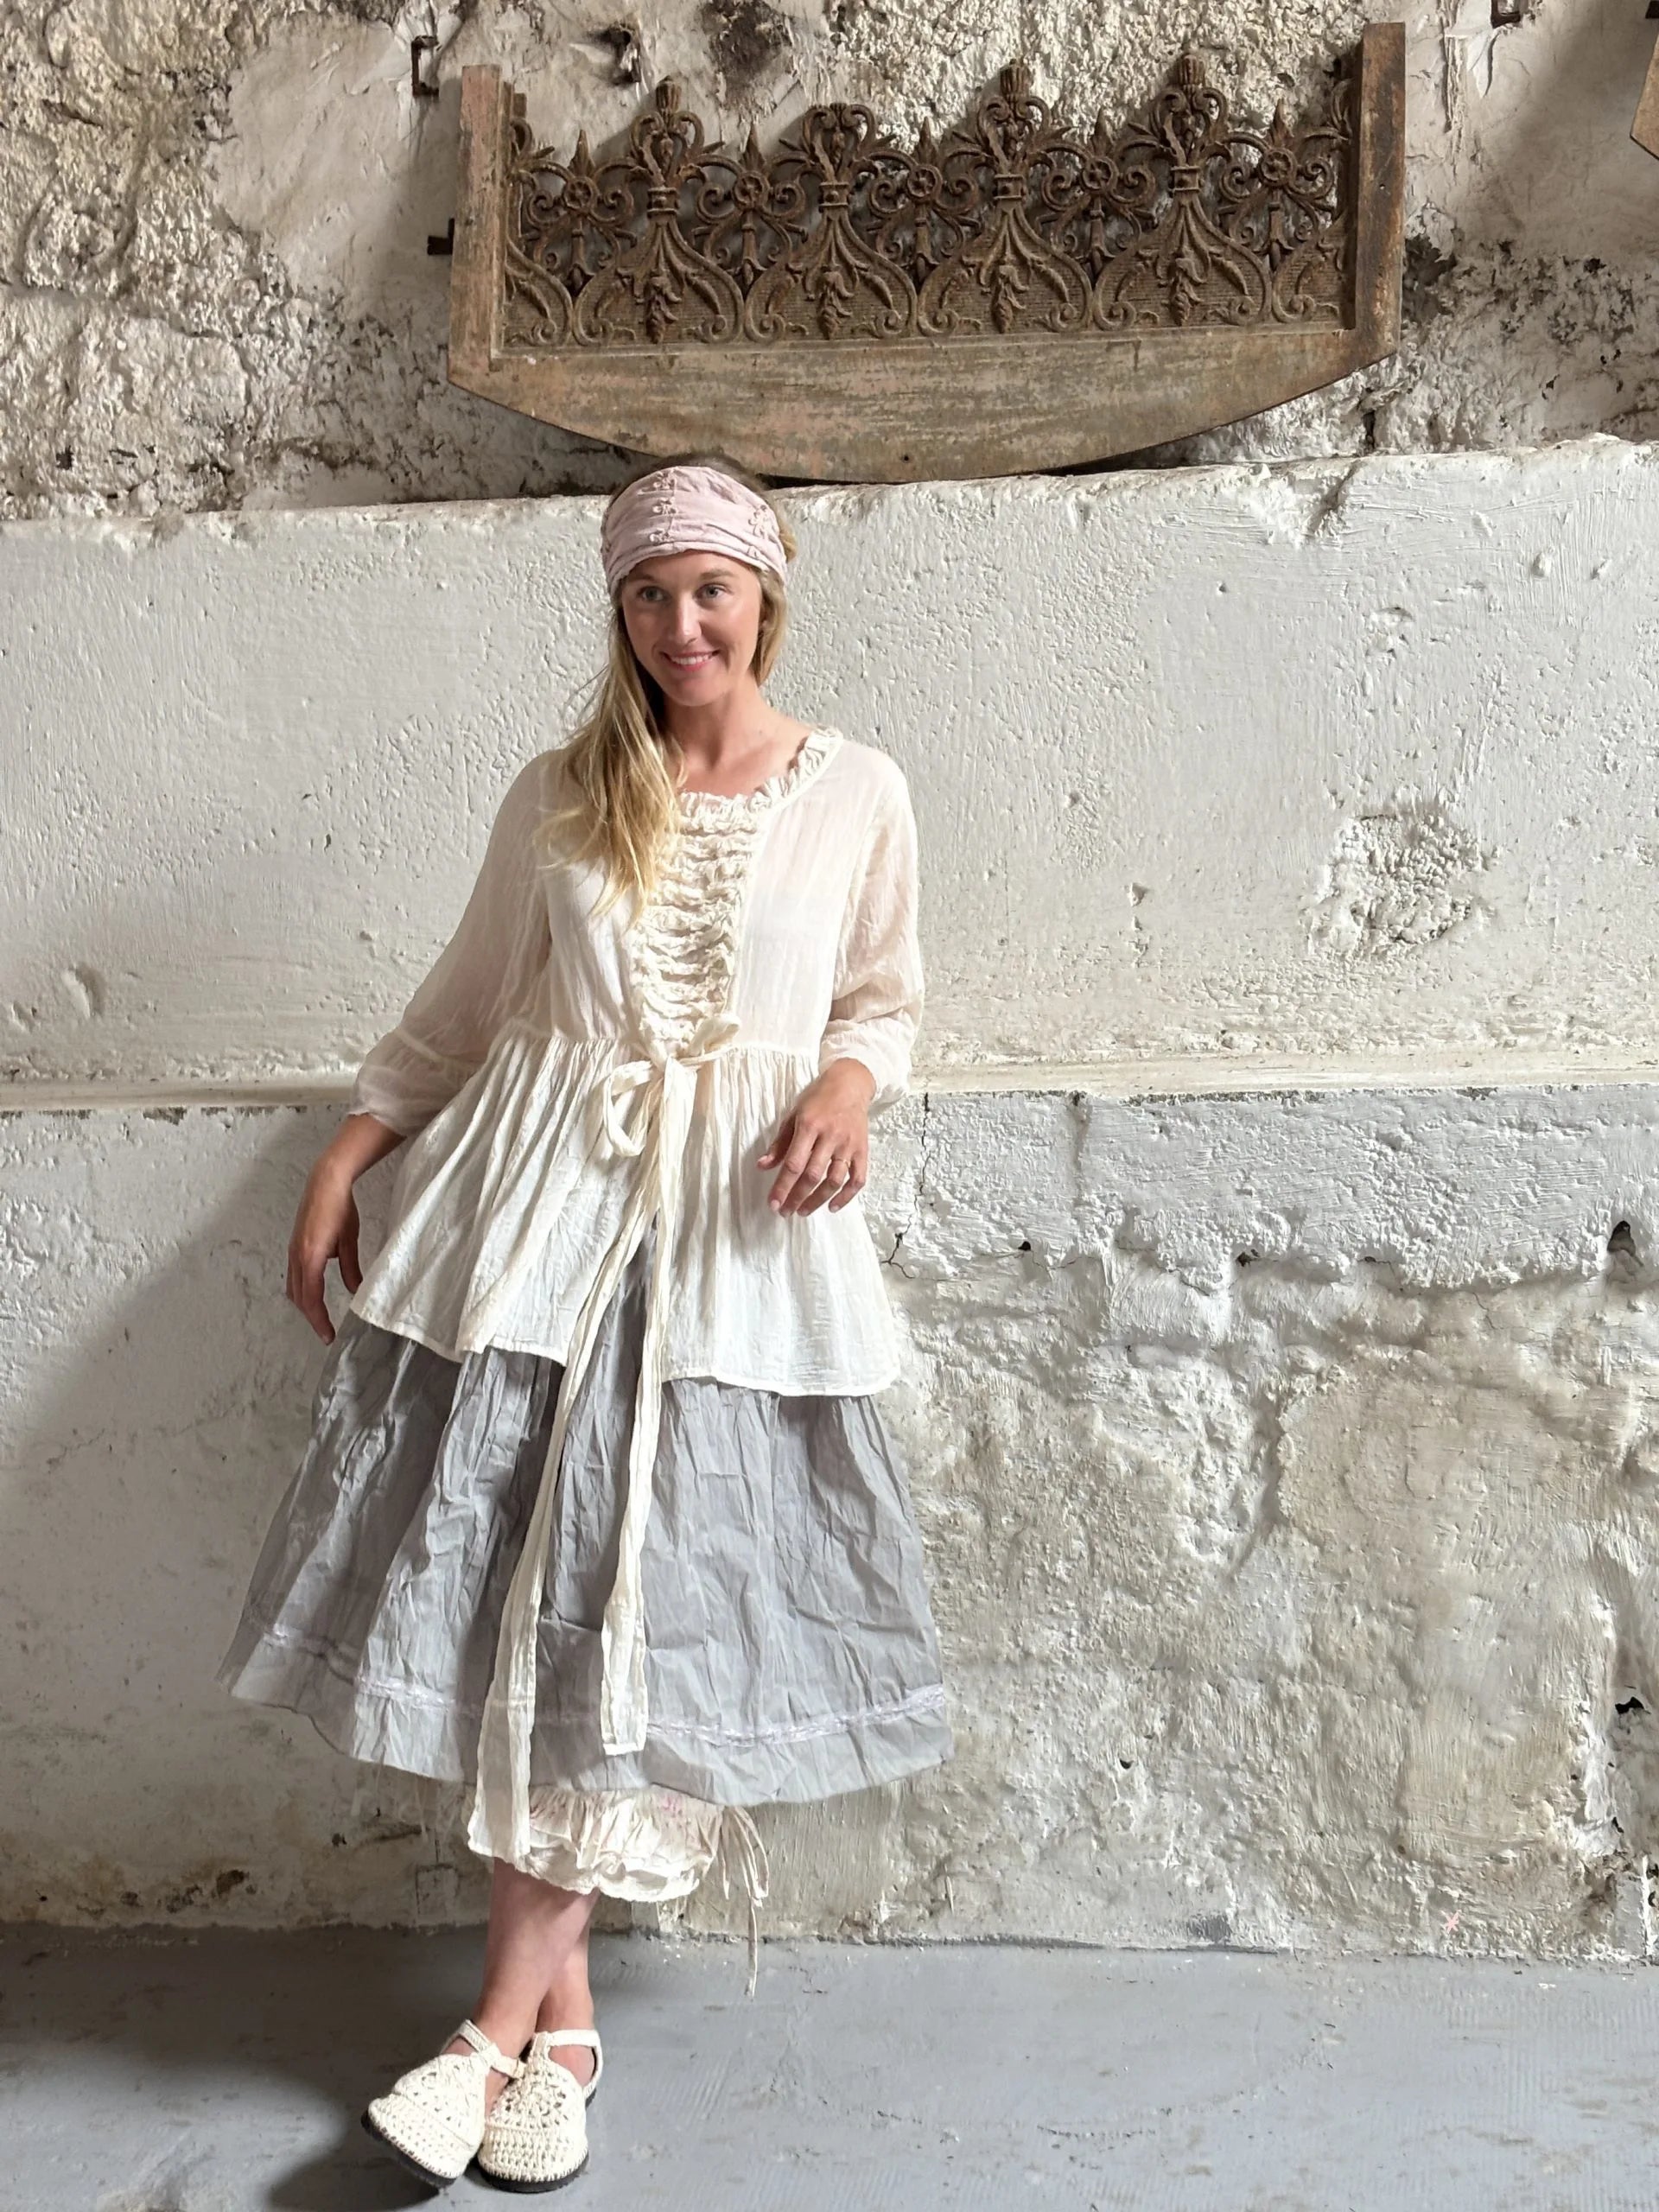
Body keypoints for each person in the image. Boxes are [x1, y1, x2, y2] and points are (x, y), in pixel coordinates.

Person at [215, 454, 954, 2192]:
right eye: (647, 592)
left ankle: (495, 2032)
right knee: (538, 1632)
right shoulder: (563, 792)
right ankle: (556, 2029)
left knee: (648, 1626)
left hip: (733, 1255)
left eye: (711, 586)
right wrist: (341, 1158)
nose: (682, 620)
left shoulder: (858, 790)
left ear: (766, 596)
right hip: (539, 1238)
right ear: (617, 614)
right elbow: (459, 1010)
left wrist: (847, 1081)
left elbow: (886, 996)